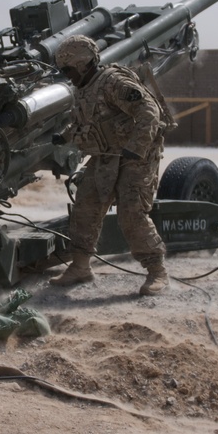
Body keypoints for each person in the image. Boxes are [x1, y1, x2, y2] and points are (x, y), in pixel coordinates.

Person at [50, 35, 170, 296]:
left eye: (68, 69)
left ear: (83, 63)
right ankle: (80, 266)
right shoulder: (84, 88)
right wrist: (66, 135)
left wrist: (136, 149)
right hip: (105, 155)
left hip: (134, 157)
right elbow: (85, 121)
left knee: (131, 213)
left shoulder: (113, 82)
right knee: (85, 206)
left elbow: (149, 111)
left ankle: (156, 271)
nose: (66, 75)